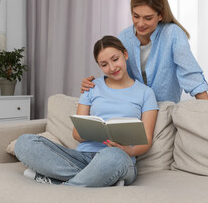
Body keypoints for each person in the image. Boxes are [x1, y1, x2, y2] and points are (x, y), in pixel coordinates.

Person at [14, 36, 158, 187]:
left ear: (125, 54)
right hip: (82, 157)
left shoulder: (146, 93)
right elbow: (77, 134)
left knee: (113, 156)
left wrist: (125, 149)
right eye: (104, 64)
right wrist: (95, 131)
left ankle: (63, 185)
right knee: (24, 143)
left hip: (120, 158)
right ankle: (96, 180)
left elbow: (146, 141)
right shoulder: (91, 87)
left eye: (115, 59)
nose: (112, 67)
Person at [81, 0, 208, 103]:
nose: (140, 24)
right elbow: (116, 74)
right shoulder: (124, 38)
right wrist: (94, 86)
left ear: (161, 16)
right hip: (132, 108)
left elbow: (191, 76)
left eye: (148, 18)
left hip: (164, 109)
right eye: (136, 16)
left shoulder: (173, 34)